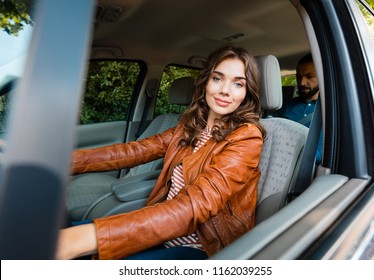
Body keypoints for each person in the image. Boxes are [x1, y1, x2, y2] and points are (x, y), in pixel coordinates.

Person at [56, 45, 266, 260]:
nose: (225, 90)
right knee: (56, 237)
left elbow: (196, 205)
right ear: (206, 82)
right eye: (218, 79)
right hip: (162, 232)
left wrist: (93, 237)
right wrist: (61, 161)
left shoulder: (247, 137)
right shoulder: (191, 126)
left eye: (238, 83)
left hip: (201, 246)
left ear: (247, 93)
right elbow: (133, 151)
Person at [275, 53, 322, 164]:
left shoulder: (331, 110)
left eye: (309, 77)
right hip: (280, 164)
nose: (302, 83)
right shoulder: (285, 105)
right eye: (299, 77)